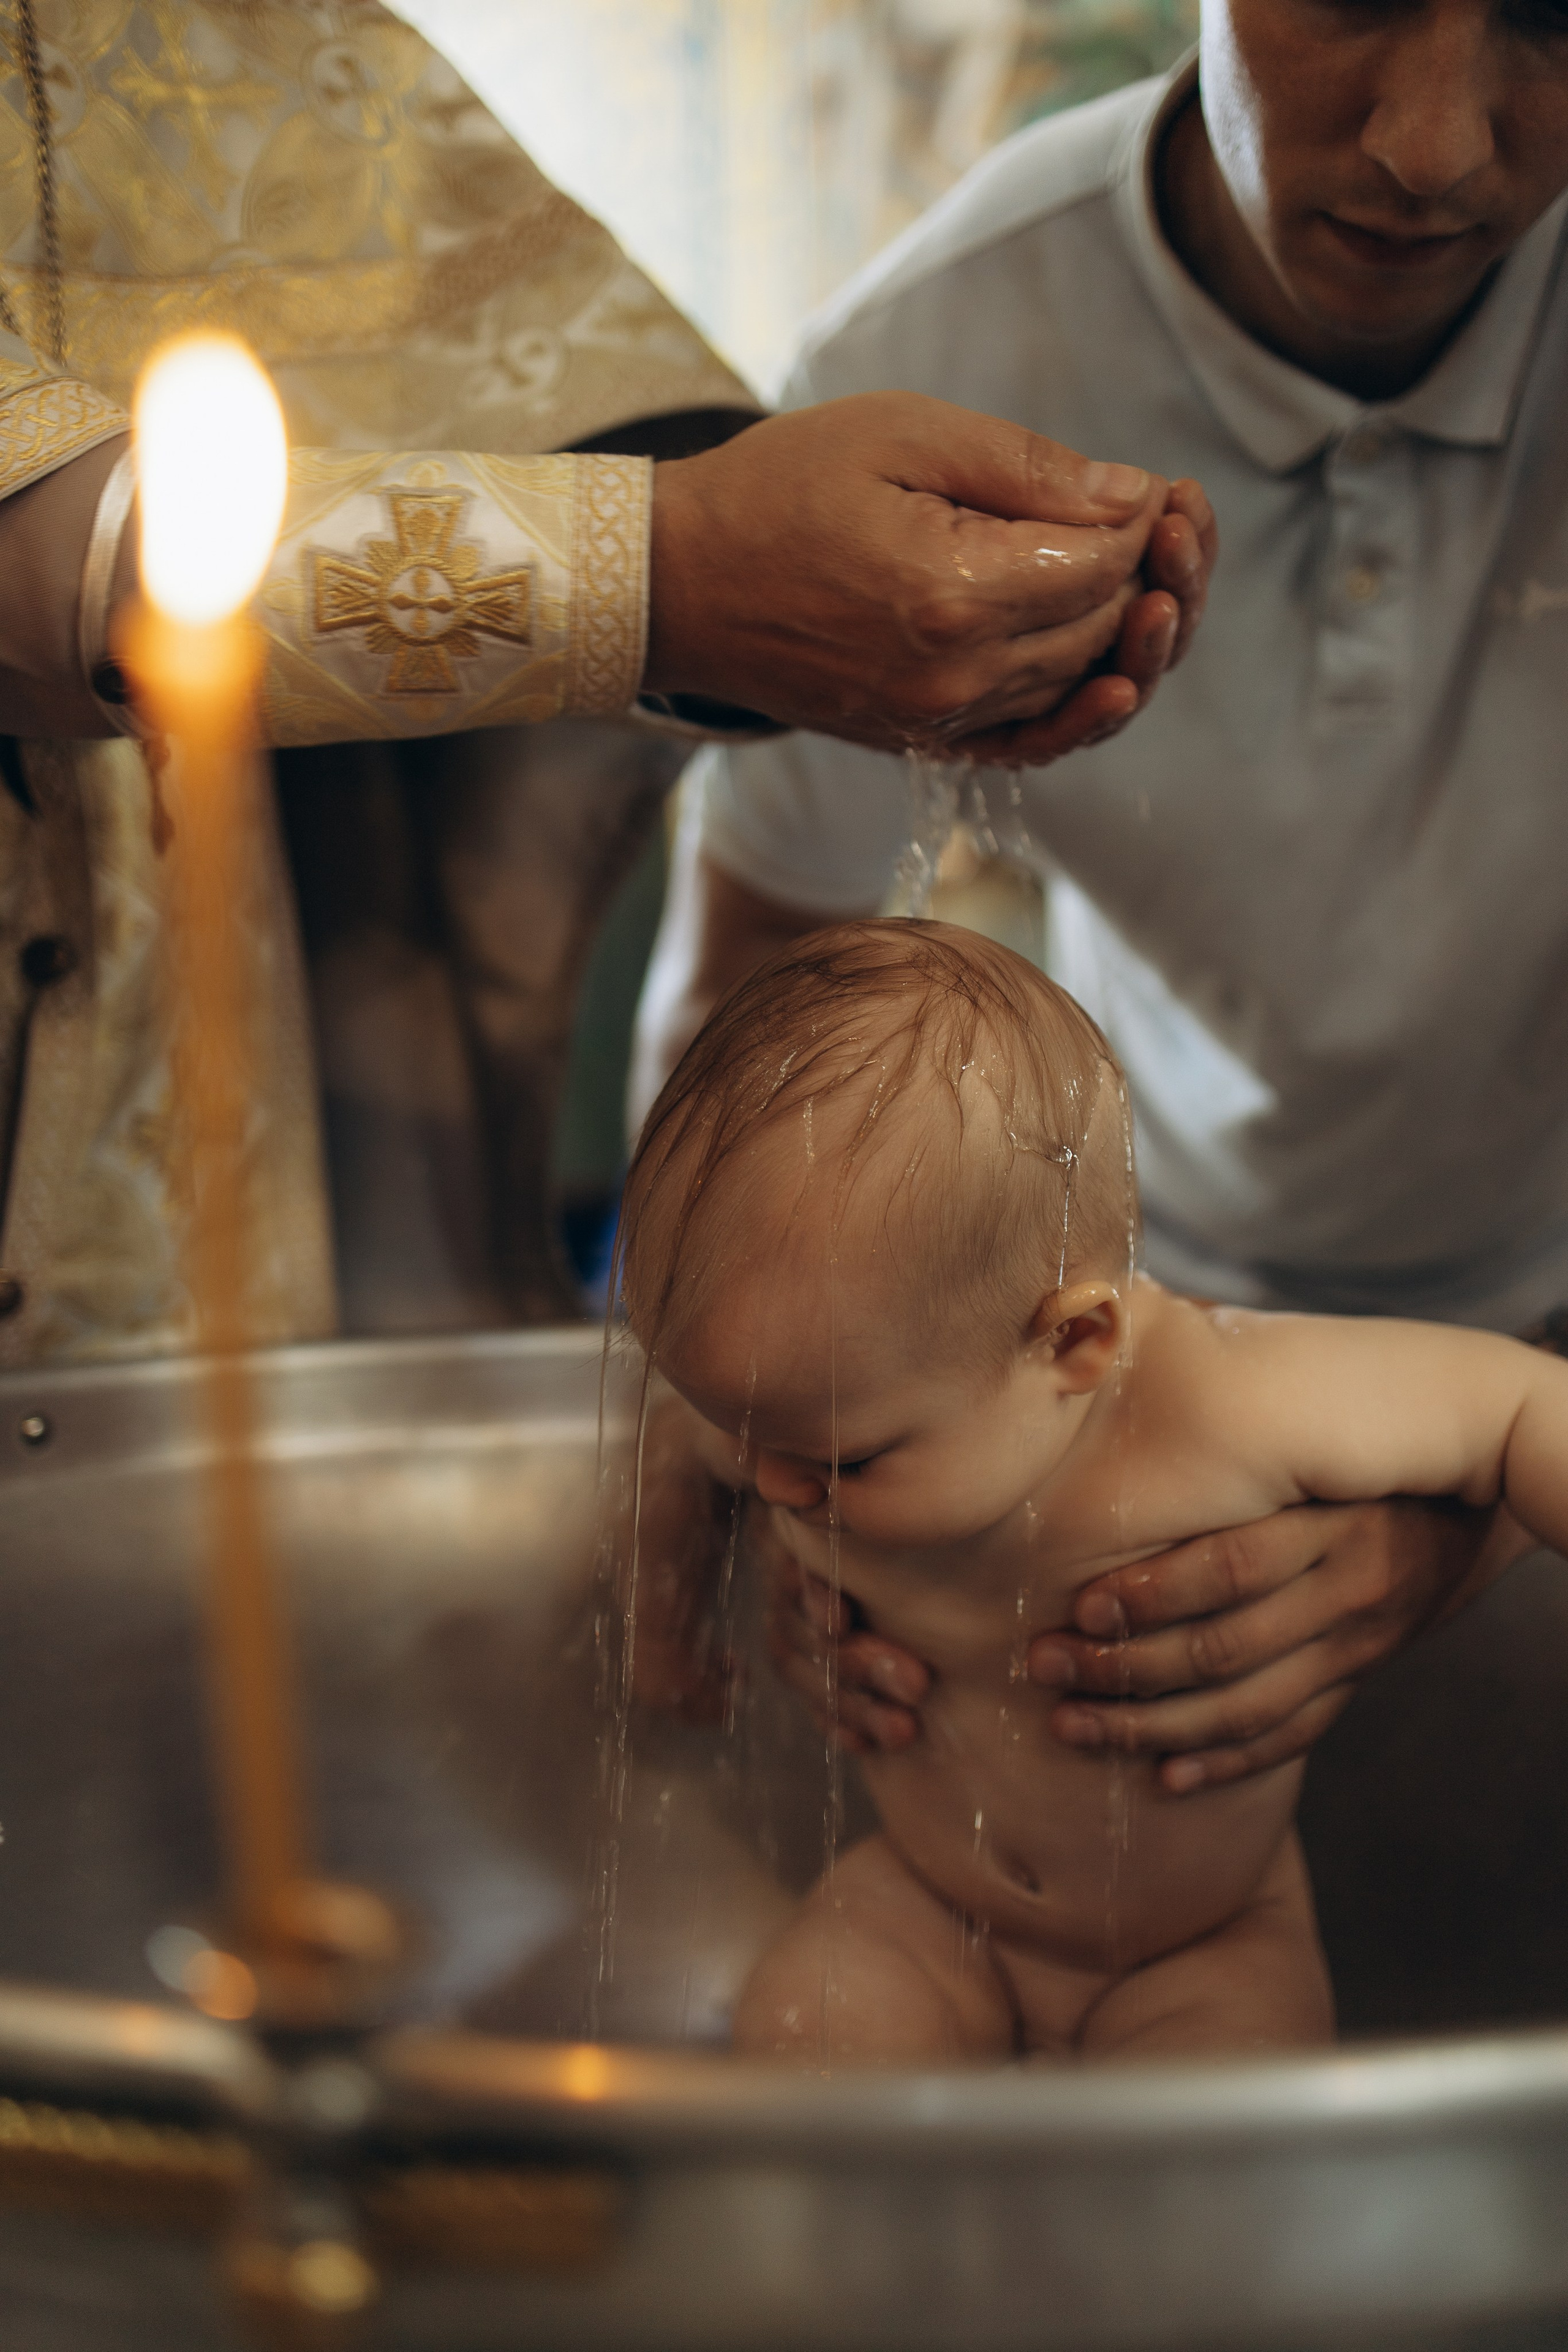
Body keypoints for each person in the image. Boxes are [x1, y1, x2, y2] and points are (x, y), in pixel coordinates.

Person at [630, 0, 1568, 1796]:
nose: (1434, 143)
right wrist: (773, 1434)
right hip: (1110, 1329)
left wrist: (1488, 1493)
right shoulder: (941, 359)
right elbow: (765, 964)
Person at [0, 0, 1212, 1368]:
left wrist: (839, 599)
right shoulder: (960, 300)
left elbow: (537, 384)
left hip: (187, 1010)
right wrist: (675, 577)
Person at [622, 921, 1568, 2063]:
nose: (773, 1484)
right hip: (928, 1910)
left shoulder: (1227, 1404)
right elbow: (683, 1449)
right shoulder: (810, 1403)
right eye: (745, 1431)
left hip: (1201, 1948)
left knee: (1220, 2132)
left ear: (1072, 1345)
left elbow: (1522, 1407)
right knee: (801, 2055)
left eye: (841, 1463)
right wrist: (663, 1617)